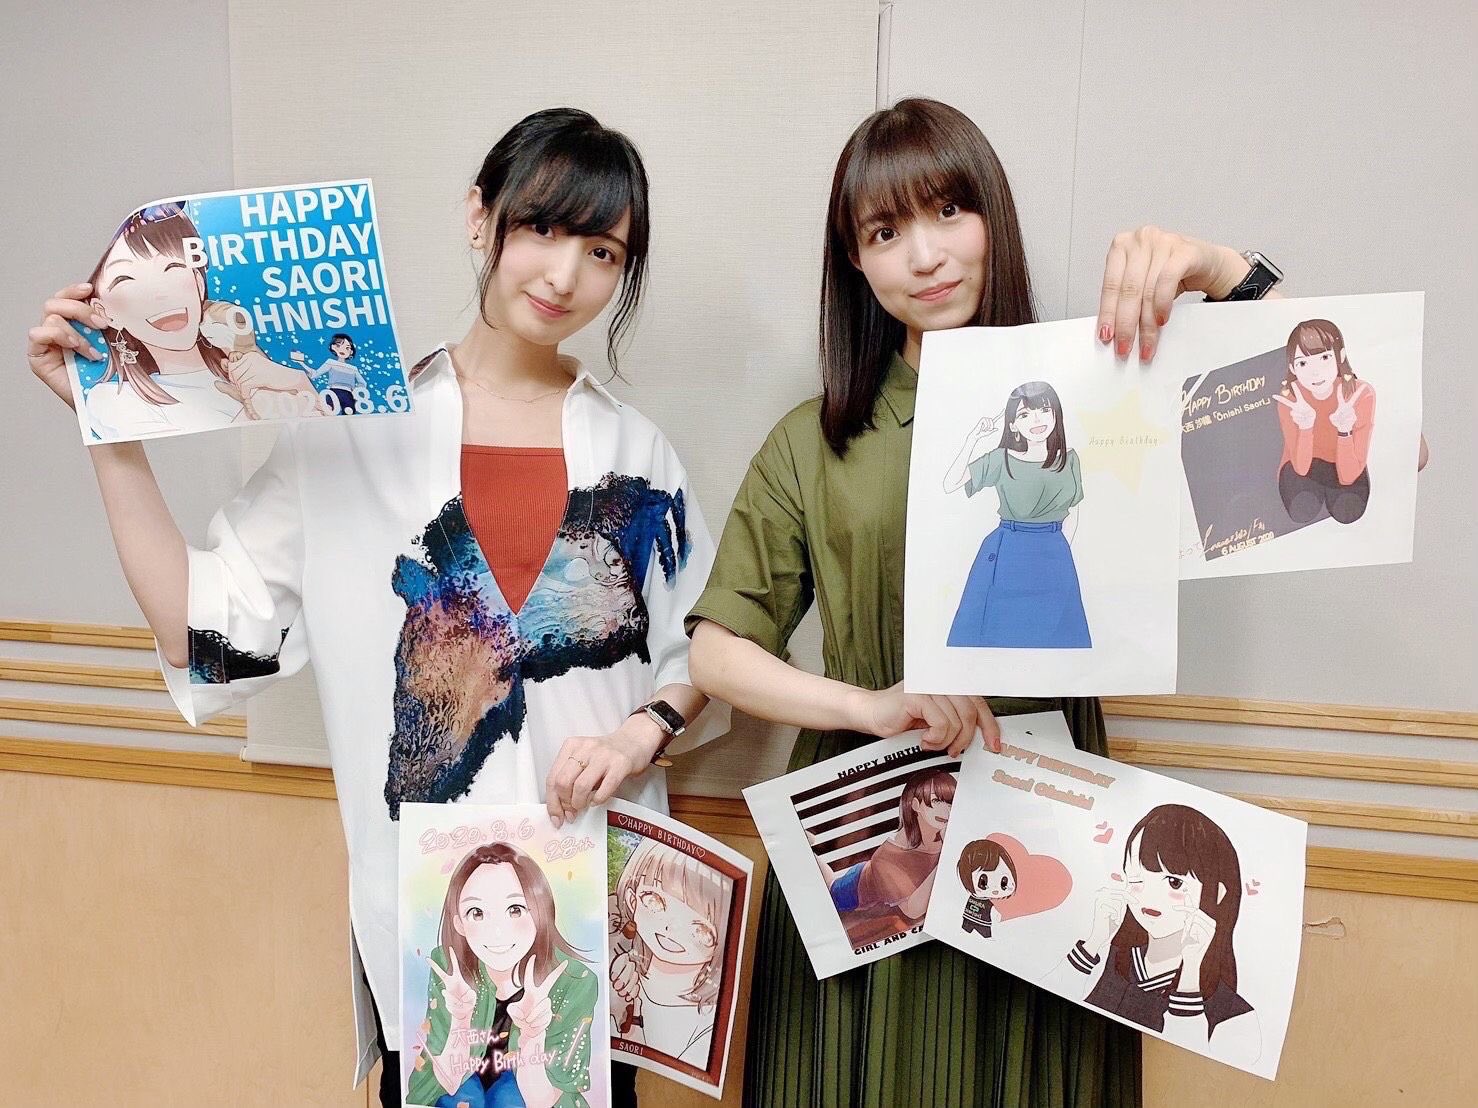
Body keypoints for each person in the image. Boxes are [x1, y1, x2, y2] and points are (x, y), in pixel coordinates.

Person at [26, 107, 727, 1108]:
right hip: (430, 919)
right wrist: (110, 430)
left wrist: (639, 732)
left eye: (602, 250)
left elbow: (701, 652)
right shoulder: (349, 430)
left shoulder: (636, 451)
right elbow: (208, 632)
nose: (565, 272)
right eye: (540, 227)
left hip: (583, 905)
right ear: (478, 218)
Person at [687, 96, 1276, 1107]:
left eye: (948, 212)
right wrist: (868, 705)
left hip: (1051, 821)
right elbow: (714, 649)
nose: (924, 255)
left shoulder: (1110, 399)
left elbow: (1381, 453)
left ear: (991, 219)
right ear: (855, 263)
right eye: (885, 232)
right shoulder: (816, 440)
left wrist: (1223, 271)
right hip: (868, 819)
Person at [75, 202, 320, 439]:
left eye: (173, 266)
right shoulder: (114, 400)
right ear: (105, 312)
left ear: (199, 282)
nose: (161, 294)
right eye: (126, 279)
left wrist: (302, 387)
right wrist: (253, 412)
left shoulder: (259, 370)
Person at [411, 843, 599, 1107]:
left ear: (540, 912)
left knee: (508, 1099)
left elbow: (542, 1101)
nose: (497, 931)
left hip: (530, 1091)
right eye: (477, 913)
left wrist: (533, 1036)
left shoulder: (573, 981)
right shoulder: (449, 965)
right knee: (463, 1098)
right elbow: (448, 1082)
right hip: (464, 1084)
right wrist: (460, 1020)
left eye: (515, 909)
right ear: (459, 923)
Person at [943, 379, 1090, 648]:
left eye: (1044, 410)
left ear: (1056, 415)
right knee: (998, 635)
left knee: (1058, 638)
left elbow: (1074, 512)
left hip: (1054, 554)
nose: (1037, 419)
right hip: (1007, 551)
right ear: (1012, 425)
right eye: (1024, 414)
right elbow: (950, 484)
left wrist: (1058, 554)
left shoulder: (1070, 460)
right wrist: (973, 439)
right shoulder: (1001, 459)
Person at [608, 838, 732, 1067]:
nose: (672, 927)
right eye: (655, 900)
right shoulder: (621, 973)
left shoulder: (708, 1022)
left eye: (701, 928)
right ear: (632, 900)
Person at [1271, 318, 1375, 524]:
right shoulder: (1291, 400)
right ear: (1293, 368)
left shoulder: (1361, 394)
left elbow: (1349, 475)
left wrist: (1344, 432)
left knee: (1349, 511)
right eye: (1303, 363)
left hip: (1345, 463)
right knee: (1302, 510)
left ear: (1340, 356)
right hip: (1302, 467)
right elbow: (1301, 468)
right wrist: (1305, 427)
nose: (1315, 372)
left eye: (1325, 357)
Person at [292, 331, 368, 415]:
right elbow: (315, 374)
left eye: (347, 348)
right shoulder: (331, 362)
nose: (342, 350)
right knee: (328, 411)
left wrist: (356, 393)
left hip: (347, 394)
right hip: (333, 392)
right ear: (333, 347)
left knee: (349, 413)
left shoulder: (353, 368)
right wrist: (302, 363)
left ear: (351, 352)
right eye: (338, 346)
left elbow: (363, 383)